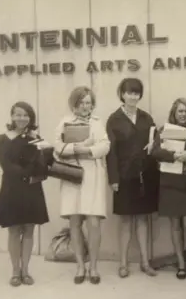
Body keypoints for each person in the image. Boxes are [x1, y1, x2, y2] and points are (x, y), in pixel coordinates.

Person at [54, 86, 110, 285]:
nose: (86, 106)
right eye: (82, 103)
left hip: (93, 176)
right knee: (75, 222)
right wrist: (79, 147)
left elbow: (105, 146)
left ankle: (93, 266)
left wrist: (87, 151)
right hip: (71, 175)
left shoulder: (97, 122)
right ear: (74, 104)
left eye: (88, 102)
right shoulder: (65, 122)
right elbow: (57, 148)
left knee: (94, 223)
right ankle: (80, 266)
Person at [106, 78, 159, 278]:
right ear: (122, 94)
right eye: (129, 93)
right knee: (126, 221)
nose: (133, 96)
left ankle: (145, 263)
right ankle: (123, 264)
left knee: (143, 219)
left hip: (145, 174)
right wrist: (114, 179)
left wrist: (155, 144)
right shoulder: (114, 119)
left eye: (136, 93)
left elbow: (156, 140)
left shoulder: (146, 117)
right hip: (124, 176)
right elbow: (111, 152)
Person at [0, 101, 50, 287]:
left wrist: (43, 146)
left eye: (25, 115)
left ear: (30, 118)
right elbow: (6, 165)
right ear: (11, 116)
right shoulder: (3, 138)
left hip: (32, 189)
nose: (21, 118)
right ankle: (15, 271)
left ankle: (26, 270)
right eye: (18, 114)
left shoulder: (36, 138)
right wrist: (27, 173)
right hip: (12, 188)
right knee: (14, 229)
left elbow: (45, 164)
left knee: (29, 230)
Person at [151, 98, 186, 280]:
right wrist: (174, 156)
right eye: (180, 111)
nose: (183, 114)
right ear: (174, 112)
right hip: (170, 182)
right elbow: (155, 151)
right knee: (175, 226)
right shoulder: (164, 130)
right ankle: (181, 265)